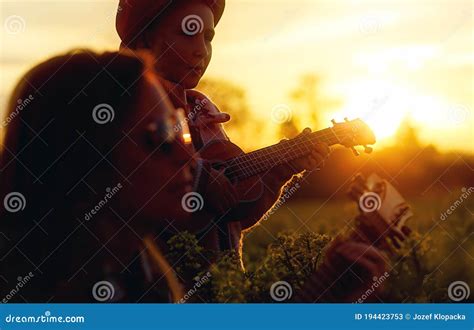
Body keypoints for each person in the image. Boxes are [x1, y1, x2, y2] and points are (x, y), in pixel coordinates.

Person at [115, 0, 331, 257]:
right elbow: (127, 174)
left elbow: (233, 215)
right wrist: (200, 178)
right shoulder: (127, 106)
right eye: (188, 33)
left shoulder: (205, 115)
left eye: (208, 38)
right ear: (146, 42)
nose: (201, 51)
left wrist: (280, 172)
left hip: (223, 287)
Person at [0, 49, 195, 302]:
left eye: (180, 128)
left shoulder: (141, 278)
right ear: (83, 154)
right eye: (160, 135)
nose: (187, 156)